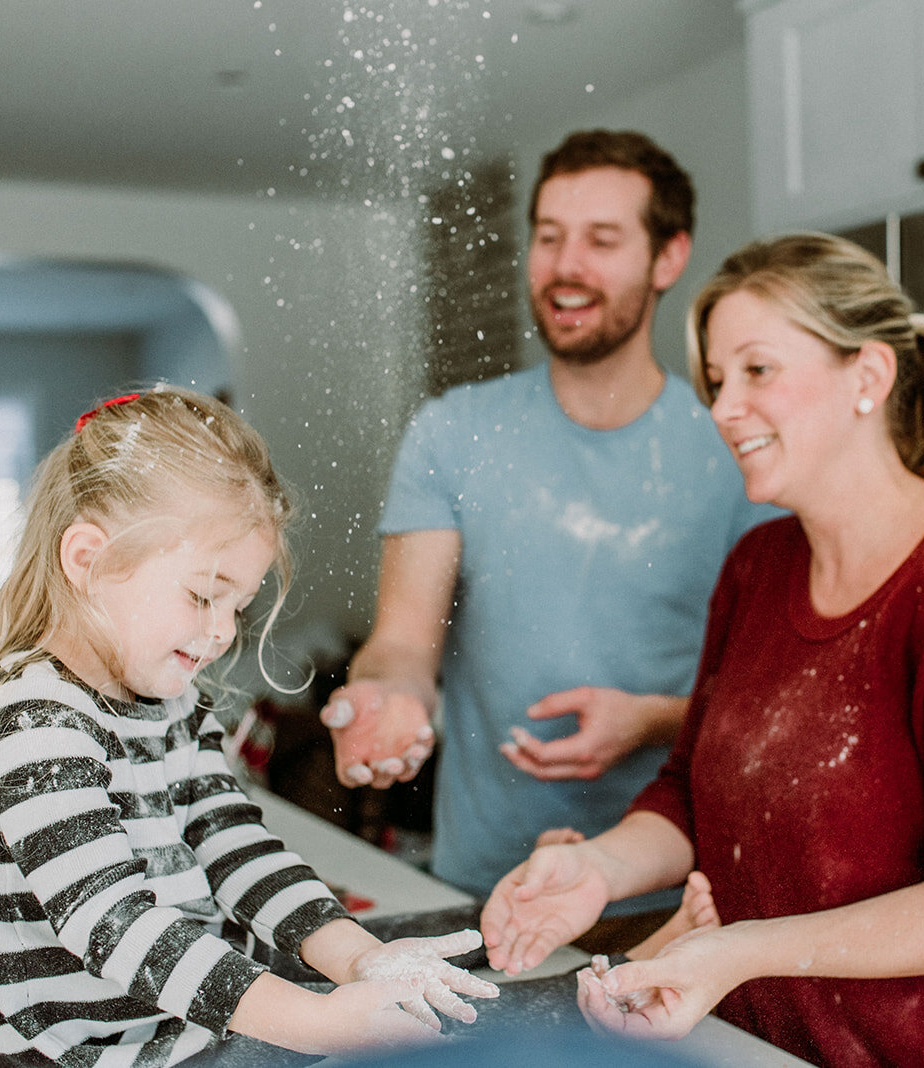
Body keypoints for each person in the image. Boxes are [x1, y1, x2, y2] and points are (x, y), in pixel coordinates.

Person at [481, 233, 924, 1067]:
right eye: (716, 380)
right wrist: (598, 870)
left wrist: (741, 950)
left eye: (758, 370)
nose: (723, 407)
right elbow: (692, 793)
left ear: (869, 377)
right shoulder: (760, 567)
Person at [0, 386, 497, 1067]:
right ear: (87, 559)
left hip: (159, 1037)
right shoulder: (33, 721)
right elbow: (114, 924)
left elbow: (236, 847)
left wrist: (360, 959)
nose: (224, 631)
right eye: (204, 594)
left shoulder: (172, 705)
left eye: (238, 604)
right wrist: (320, 1024)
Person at [319, 129, 774, 948]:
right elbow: (402, 646)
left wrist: (652, 721)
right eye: (550, 235)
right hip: (482, 891)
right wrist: (384, 700)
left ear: (668, 259)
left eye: (602, 241)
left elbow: (774, 696)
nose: (567, 266)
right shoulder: (452, 432)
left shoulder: (740, 450)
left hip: (677, 904)